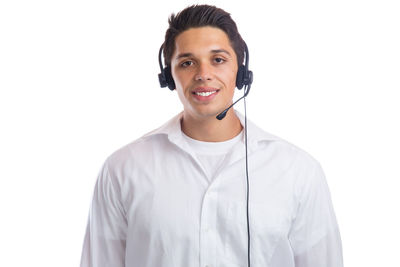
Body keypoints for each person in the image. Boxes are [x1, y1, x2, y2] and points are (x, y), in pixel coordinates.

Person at [80, 4, 344, 267]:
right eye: (187, 63)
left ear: (240, 71)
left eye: (218, 60)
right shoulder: (123, 169)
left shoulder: (298, 170)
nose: (203, 75)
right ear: (168, 77)